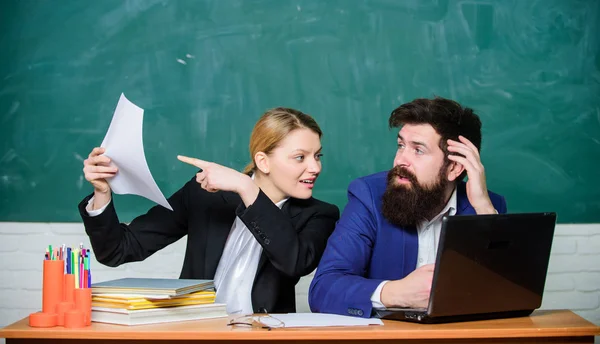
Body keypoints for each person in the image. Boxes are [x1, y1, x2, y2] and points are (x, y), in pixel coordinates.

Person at [79, 107, 339, 315]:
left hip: (262, 338)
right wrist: (102, 192)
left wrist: (245, 187)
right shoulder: (204, 196)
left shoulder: (320, 215)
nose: (315, 167)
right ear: (263, 161)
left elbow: (294, 262)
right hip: (195, 333)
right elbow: (118, 250)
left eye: (318, 156)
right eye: (300, 157)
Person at [308, 96, 507, 317]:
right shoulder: (369, 196)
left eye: (418, 150)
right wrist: (395, 293)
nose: (400, 160)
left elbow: (507, 294)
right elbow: (324, 289)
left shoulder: (487, 207)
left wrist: (484, 210)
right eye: (401, 145)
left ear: (454, 167)